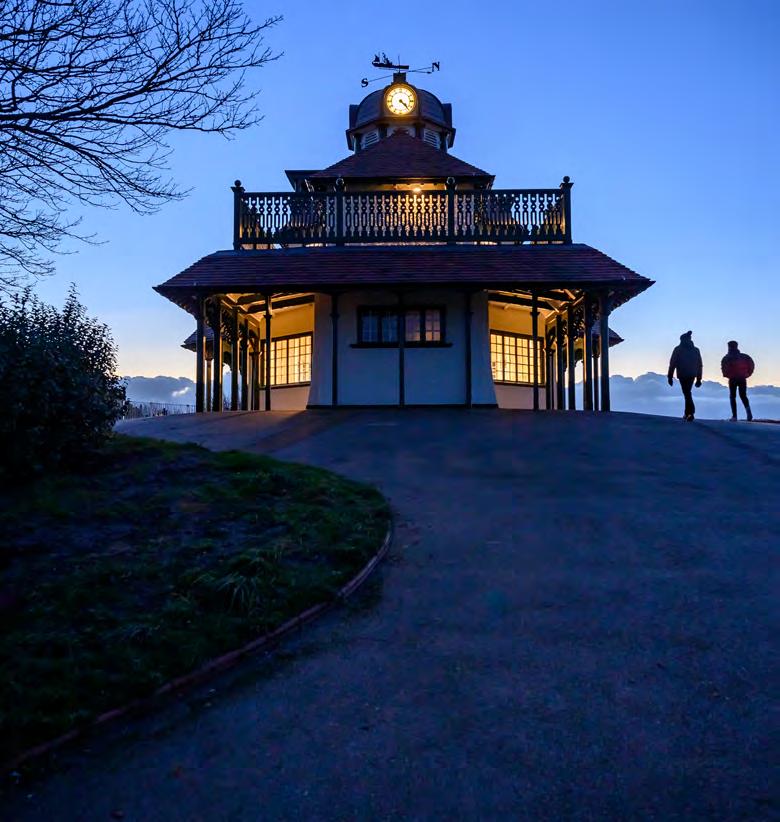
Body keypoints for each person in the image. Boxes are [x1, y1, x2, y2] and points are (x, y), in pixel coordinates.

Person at [668, 330, 703, 421]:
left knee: (687, 393)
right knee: (687, 392)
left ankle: (690, 412)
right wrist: (699, 379)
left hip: (682, 374)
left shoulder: (678, 349)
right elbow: (699, 365)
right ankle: (687, 413)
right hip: (692, 374)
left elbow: (672, 363)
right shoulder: (696, 350)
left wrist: (670, 377)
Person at [720, 340, 754, 421]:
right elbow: (751, 365)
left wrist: (726, 374)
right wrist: (748, 374)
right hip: (742, 378)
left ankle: (734, 416)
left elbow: (724, 367)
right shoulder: (744, 356)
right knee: (743, 396)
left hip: (732, 379)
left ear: (729, 347)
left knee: (732, 396)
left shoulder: (727, 358)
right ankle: (748, 412)